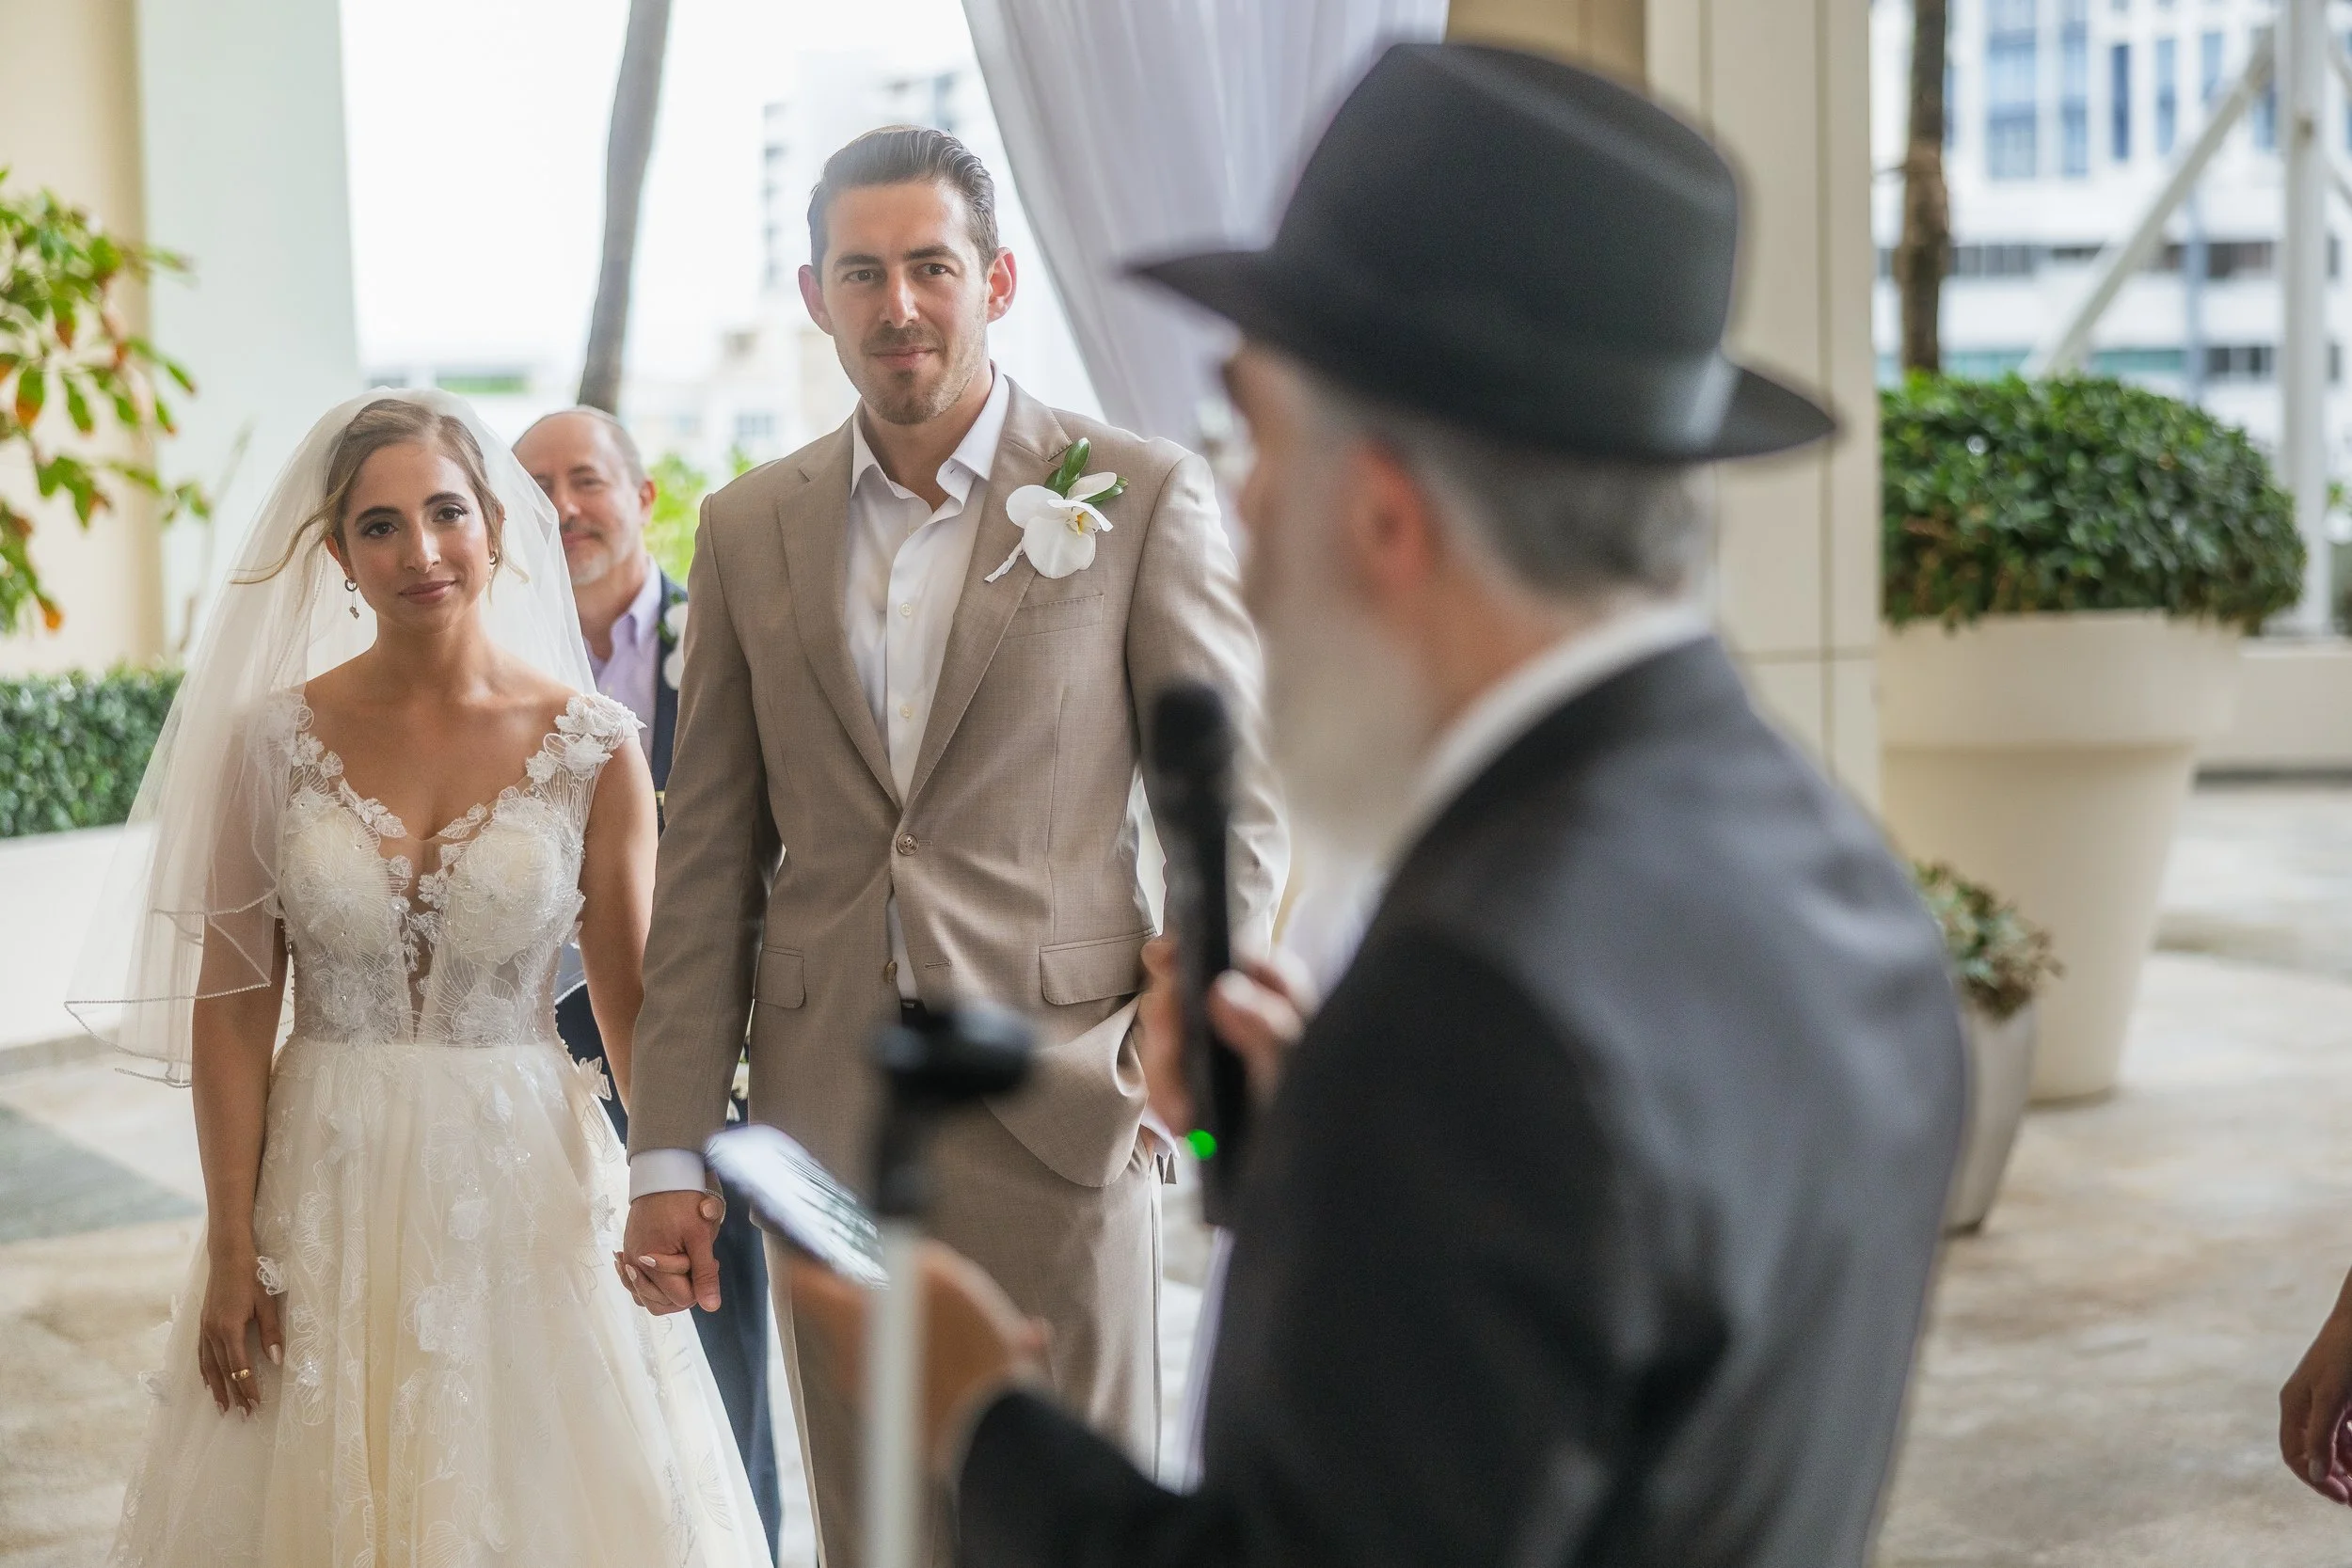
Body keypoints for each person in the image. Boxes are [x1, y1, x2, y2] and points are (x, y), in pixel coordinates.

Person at [782, 43, 1970, 1568]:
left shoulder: (1467, 1010)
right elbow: (1555, 1381)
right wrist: (1296, 1172)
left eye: (1259, 444)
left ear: (1386, 510)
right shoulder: (1839, 877)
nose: (1246, 509)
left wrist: (982, 1417)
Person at [615, 124, 1286, 1566]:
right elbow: (714, 848)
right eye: (863, 273)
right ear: (815, 295)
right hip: (823, 1116)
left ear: (996, 277)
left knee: (1079, 1513)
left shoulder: (1139, 491)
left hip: (1062, 1098)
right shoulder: (743, 529)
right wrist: (668, 1139)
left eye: (930, 266)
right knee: (876, 1525)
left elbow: (1223, 808)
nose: (898, 304)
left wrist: (1174, 1050)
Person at [72, 391, 768, 1565]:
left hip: (524, 1184)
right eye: (379, 525)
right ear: (338, 553)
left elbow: (631, 998)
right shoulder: (270, 743)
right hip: (320, 1182)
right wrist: (235, 1246)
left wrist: (676, 1180)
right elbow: (235, 1013)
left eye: (446, 512)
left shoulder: (593, 745)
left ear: (498, 524)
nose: (421, 550)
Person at [516, 405, 785, 1556]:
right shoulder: (484, 658)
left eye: (587, 481)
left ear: (643, 497)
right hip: (535, 1053)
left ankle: (749, 1541)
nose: (565, 509)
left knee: (720, 1333)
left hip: (706, 1039)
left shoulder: (729, 629)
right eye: (535, 490)